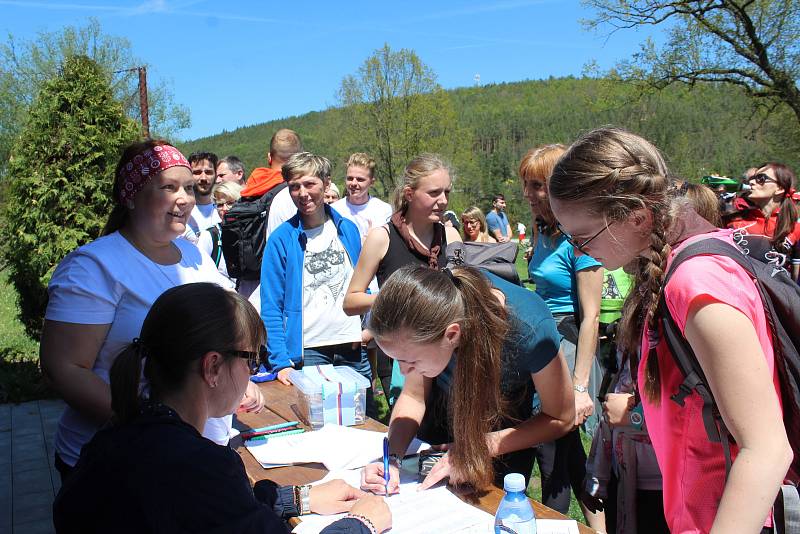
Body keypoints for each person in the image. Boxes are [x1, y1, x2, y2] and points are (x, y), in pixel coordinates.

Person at [548, 126, 792, 533]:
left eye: (580, 236)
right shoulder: (667, 270)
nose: (578, 251)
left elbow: (766, 449)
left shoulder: (695, 282)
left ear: (636, 216)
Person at [53, 282, 391, 534]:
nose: (253, 373)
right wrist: (363, 523)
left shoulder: (117, 434)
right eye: (252, 360)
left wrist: (298, 498)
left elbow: (217, 512)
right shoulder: (198, 466)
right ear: (213, 367)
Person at [40, 140, 260, 482]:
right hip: (119, 463)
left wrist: (235, 381)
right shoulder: (94, 267)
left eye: (188, 187)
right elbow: (64, 368)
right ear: (131, 196)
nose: (184, 198)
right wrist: (151, 426)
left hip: (196, 455)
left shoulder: (195, 257)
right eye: (168, 188)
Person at [360, 265, 574, 493]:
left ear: (452, 335)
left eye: (411, 361)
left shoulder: (530, 327)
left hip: (511, 427)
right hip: (452, 418)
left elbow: (561, 417)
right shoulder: (424, 328)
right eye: (397, 360)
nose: (404, 372)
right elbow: (413, 396)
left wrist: (476, 448)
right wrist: (392, 458)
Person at [517, 144, 605, 528]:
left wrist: (581, 384)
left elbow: (592, 317)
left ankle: (555, 523)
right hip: (541, 344)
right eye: (526, 185)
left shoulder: (581, 237)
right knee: (568, 454)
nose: (529, 194)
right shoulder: (541, 230)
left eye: (537, 185)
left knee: (553, 449)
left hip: (568, 348)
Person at [343, 154, 462, 406]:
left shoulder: (450, 236)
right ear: (409, 194)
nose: (443, 201)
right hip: (403, 358)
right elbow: (351, 301)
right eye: (433, 193)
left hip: (447, 356)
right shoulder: (382, 238)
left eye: (446, 192)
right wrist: (399, 298)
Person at [261, 152, 372, 392]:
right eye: (294, 187)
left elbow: (363, 285)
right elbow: (271, 305)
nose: (303, 193)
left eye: (310, 184)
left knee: (365, 421)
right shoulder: (281, 240)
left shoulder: (347, 230)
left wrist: (369, 328)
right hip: (308, 351)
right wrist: (280, 361)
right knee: (318, 424)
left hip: (352, 345)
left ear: (327, 183)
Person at [239, 128, 304, 302]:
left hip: (246, 288)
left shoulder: (248, 190)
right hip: (277, 290)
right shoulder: (291, 194)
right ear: (299, 158)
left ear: (269, 157)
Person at [726, 163, 800, 280]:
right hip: (736, 293)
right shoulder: (732, 221)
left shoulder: (795, 229)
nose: (751, 182)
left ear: (779, 188)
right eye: (752, 178)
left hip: (776, 295)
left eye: (761, 179)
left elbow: (796, 276)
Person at [332, 153, 393, 239]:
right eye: (350, 178)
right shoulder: (334, 210)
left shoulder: (384, 211)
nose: (353, 183)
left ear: (372, 182)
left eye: (360, 179)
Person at [198, 181, 243, 280]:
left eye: (230, 203)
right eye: (220, 205)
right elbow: (200, 273)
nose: (225, 209)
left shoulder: (251, 230)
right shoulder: (209, 236)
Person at [185, 151, 220, 243]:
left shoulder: (224, 210)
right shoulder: (180, 213)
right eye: (197, 172)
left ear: (216, 176)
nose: (203, 178)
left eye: (208, 172)